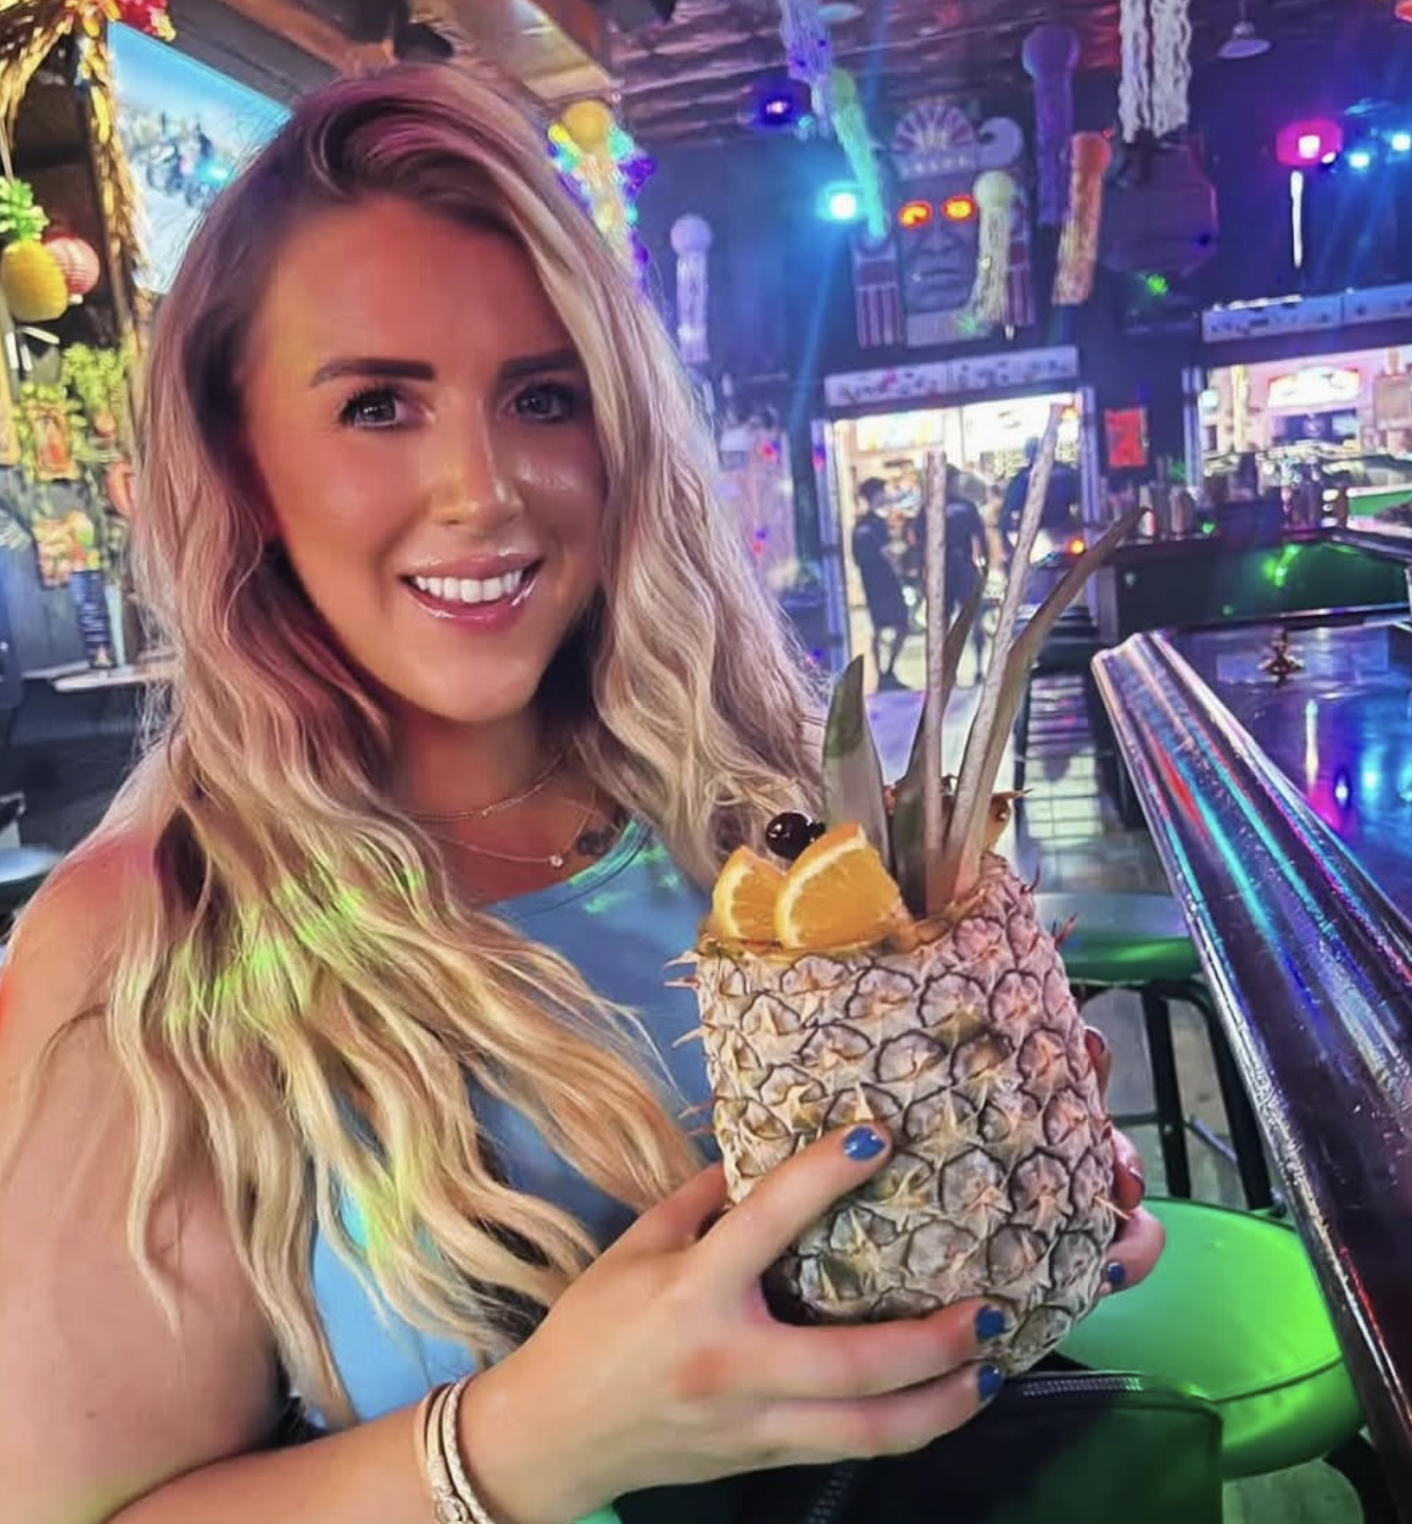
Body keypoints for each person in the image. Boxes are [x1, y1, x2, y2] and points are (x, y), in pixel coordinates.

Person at [0, 67, 1163, 1524]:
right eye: (376, 405)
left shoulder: (762, 805)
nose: (483, 489)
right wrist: (523, 1444)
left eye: (544, 398)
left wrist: (1017, 1190)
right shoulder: (145, 942)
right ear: (243, 460)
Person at [850, 477, 910, 689]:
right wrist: (900, 567)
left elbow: (856, 558)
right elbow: (888, 554)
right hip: (887, 581)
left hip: (870, 582)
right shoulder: (877, 523)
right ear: (875, 495)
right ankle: (888, 671)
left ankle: (881, 675)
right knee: (902, 624)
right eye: (882, 491)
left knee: (878, 628)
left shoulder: (859, 526)